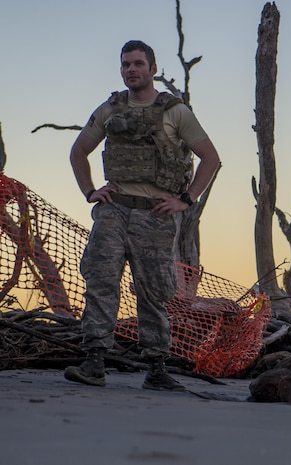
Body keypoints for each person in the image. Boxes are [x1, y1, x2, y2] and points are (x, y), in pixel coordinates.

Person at [64, 40, 221, 391]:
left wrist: (187, 199)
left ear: (152, 68)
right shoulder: (110, 109)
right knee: (101, 280)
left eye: (137, 63)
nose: (131, 69)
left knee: (153, 290)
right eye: (125, 64)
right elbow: (78, 152)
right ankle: (94, 362)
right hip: (114, 210)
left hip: (155, 215)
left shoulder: (174, 111)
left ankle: (156, 367)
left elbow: (211, 158)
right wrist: (90, 192)